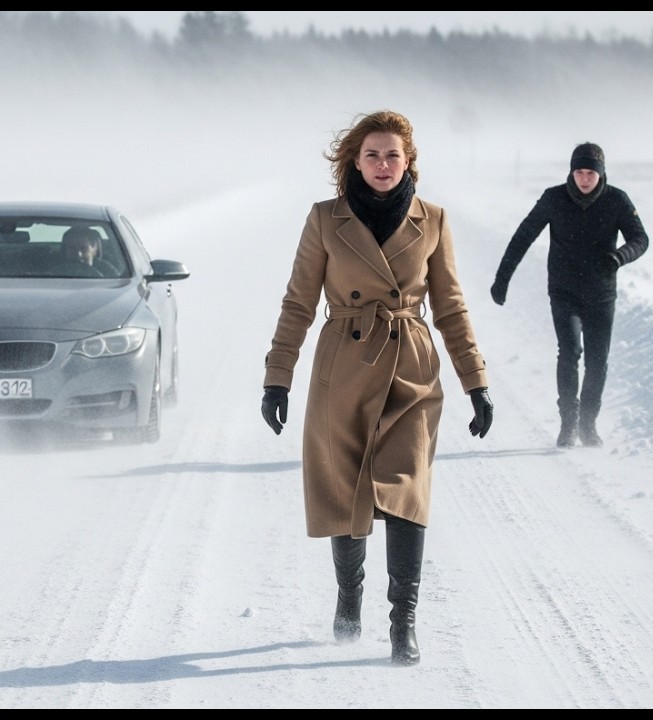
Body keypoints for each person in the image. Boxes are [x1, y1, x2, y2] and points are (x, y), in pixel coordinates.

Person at [260, 110, 494, 666]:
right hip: (343, 364)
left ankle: (402, 623)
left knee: (407, 489)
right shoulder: (324, 219)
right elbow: (298, 303)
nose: (383, 165)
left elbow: (452, 306)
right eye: (372, 155)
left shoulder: (432, 219)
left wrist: (475, 381)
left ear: (409, 160)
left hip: (410, 366)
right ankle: (349, 595)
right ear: (354, 161)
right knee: (346, 490)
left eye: (393, 155)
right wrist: (278, 376)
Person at [489, 142, 649, 449]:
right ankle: (568, 423)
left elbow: (640, 239)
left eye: (591, 173)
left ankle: (588, 423)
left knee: (597, 360)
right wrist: (502, 279)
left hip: (602, 293)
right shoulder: (554, 198)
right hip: (564, 290)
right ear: (571, 172)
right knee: (570, 351)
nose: (584, 179)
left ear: (600, 174)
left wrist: (620, 256)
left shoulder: (617, 200)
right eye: (579, 172)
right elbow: (524, 235)